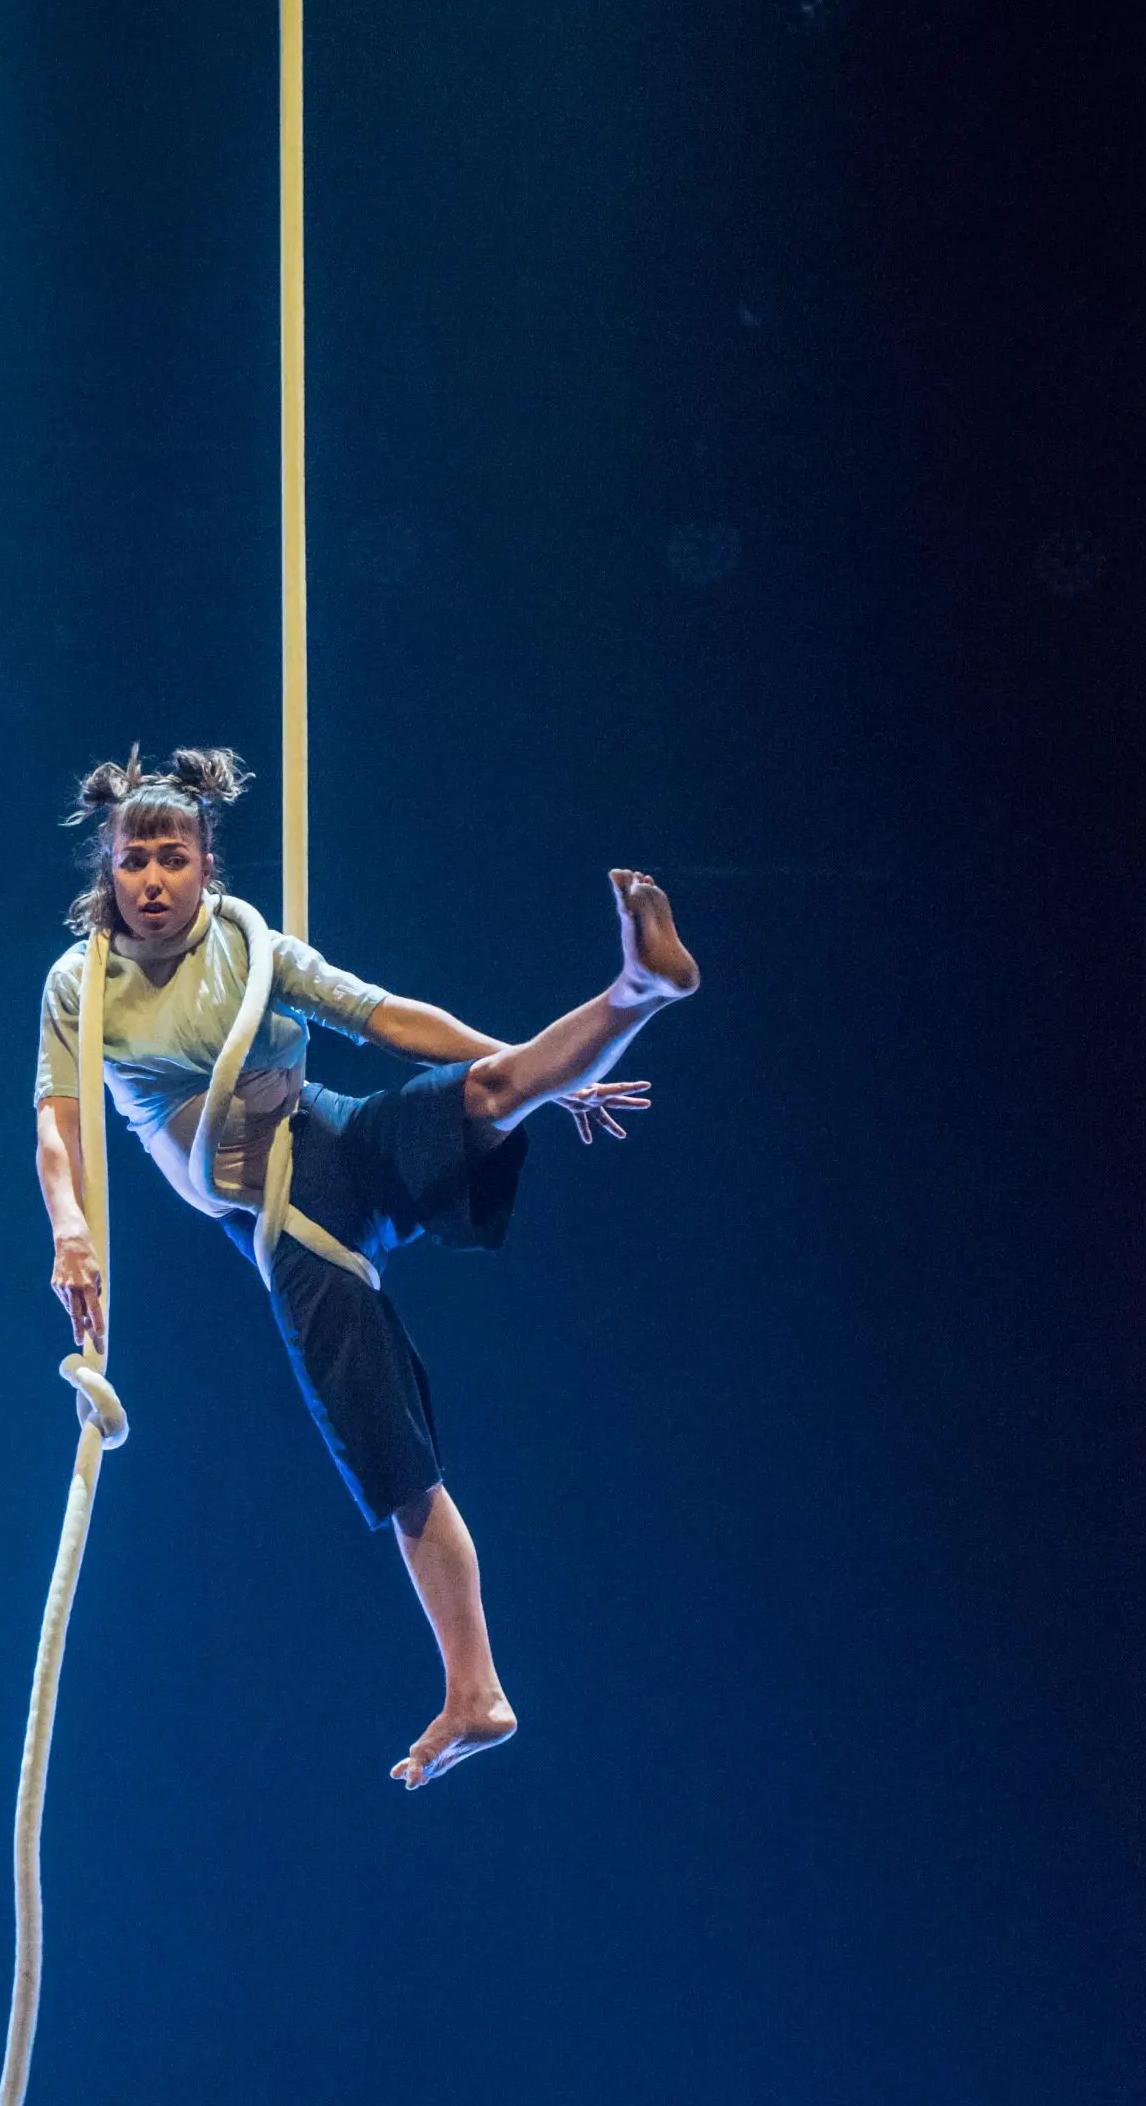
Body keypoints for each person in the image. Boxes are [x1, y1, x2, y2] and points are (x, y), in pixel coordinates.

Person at [34, 748, 699, 1788]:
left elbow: (390, 1018)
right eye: (134, 861)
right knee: (394, 1458)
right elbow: (60, 1122)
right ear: (108, 870)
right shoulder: (82, 984)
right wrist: (71, 1231)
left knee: (490, 1090)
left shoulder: (251, 946)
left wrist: (541, 1077)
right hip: (280, 1215)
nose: (153, 880)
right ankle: (476, 1690)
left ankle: (637, 990)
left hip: (329, 1144)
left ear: (206, 865)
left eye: (173, 858)